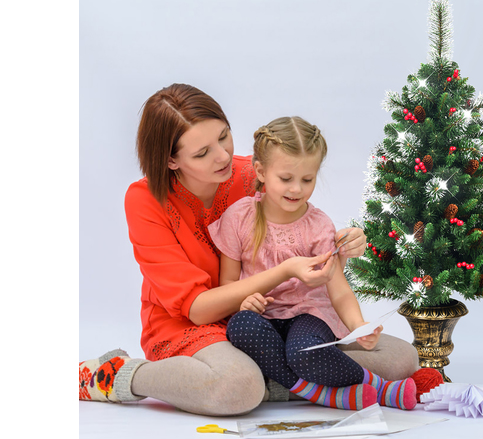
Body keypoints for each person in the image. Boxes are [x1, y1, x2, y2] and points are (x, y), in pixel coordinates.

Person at [79, 84, 419, 417]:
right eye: (202, 153)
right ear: (170, 161)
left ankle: (275, 379)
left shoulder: (250, 172)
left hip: (272, 319)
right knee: (237, 388)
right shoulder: (145, 200)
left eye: (224, 136)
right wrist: (283, 272)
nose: (224, 155)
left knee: (401, 358)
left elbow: (302, 222)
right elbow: (196, 309)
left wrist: (347, 244)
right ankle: (119, 374)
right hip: (190, 324)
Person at [208, 117, 418, 411]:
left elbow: (338, 289)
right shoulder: (239, 218)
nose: (296, 189)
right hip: (263, 317)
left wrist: (358, 326)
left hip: (308, 314)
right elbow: (228, 284)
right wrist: (246, 300)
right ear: (261, 171)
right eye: (286, 179)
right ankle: (320, 393)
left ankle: (376, 386)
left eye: (307, 180)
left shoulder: (318, 226)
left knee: (303, 352)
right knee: (240, 327)